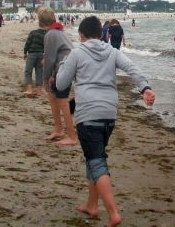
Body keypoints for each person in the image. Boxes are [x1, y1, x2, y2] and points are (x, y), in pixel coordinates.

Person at [55, 16, 155, 225]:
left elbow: (61, 83)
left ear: (81, 35)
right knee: (94, 157)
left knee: (96, 160)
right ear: (101, 33)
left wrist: (64, 63)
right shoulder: (112, 51)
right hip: (109, 113)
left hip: (88, 113)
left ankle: (113, 212)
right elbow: (132, 68)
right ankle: (92, 205)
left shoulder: (77, 53)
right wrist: (145, 88)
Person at [40, 7, 77, 146]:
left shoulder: (51, 34)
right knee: (52, 96)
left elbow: (49, 59)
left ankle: (72, 136)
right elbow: (56, 56)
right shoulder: (59, 32)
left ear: (40, 22)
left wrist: (46, 79)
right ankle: (59, 130)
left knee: (62, 101)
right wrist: (53, 74)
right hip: (65, 68)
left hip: (65, 69)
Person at [22, 19, 47, 97]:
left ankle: (30, 89)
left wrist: (25, 52)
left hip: (32, 54)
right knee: (39, 72)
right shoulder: (46, 34)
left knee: (28, 71)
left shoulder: (33, 32)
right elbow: (47, 46)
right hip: (41, 55)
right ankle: (38, 91)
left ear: (39, 24)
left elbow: (28, 43)